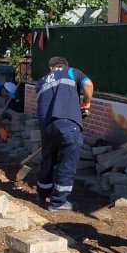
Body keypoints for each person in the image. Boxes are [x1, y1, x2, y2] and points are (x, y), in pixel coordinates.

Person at [36, 56, 94, 211]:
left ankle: (42, 194)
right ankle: (58, 202)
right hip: (68, 124)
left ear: (50, 68)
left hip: (46, 126)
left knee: (47, 160)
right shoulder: (72, 72)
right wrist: (86, 104)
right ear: (64, 65)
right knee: (67, 161)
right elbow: (88, 85)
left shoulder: (41, 82)